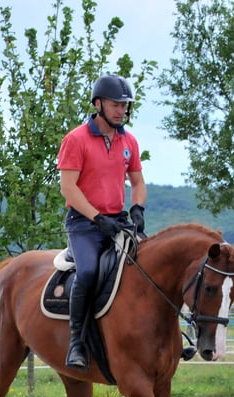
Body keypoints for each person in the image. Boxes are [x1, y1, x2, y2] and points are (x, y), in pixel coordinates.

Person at [57, 74, 147, 370]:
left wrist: (137, 208)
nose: (121, 110)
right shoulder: (76, 139)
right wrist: (96, 218)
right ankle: (76, 343)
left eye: (124, 105)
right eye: (115, 104)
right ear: (98, 104)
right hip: (84, 225)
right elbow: (68, 188)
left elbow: (137, 180)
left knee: (150, 267)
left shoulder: (129, 141)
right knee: (89, 271)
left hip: (118, 221)